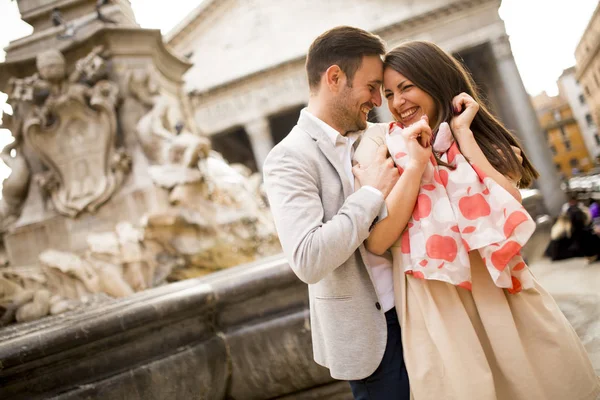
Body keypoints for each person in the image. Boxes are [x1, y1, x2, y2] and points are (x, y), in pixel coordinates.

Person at [354, 40, 600, 400]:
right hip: (436, 298)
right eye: (389, 92)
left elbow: (511, 200)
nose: (397, 102)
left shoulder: (478, 140)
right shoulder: (384, 151)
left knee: (538, 381)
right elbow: (376, 242)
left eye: (407, 87)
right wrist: (417, 164)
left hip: (499, 290)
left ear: (435, 81)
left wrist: (465, 137)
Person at [263, 27, 411, 399]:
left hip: (423, 311)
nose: (379, 99)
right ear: (334, 78)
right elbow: (308, 259)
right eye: (372, 86)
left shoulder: (384, 135)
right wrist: (372, 193)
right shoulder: (288, 158)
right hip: (371, 337)